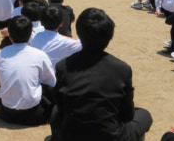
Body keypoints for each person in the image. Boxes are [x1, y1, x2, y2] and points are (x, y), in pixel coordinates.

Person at [51, 8, 152, 141]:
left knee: (55, 112)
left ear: (79, 34)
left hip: (72, 134)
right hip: (110, 136)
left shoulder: (62, 66)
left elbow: (61, 107)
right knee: (144, 115)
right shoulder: (122, 68)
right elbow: (127, 115)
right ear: (110, 36)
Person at [0, 16, 56, 126]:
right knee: (50, 90)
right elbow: (51, 82)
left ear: (10, 36)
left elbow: (1, 82)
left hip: (6, 114)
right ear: (29, 35)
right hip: (36, 116)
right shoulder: (39, 55)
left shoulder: (0, 54)